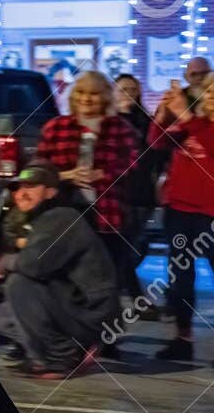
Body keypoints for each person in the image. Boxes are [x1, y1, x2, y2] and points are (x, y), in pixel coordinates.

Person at [0, 165, 116, 379]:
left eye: (31, 186)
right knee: (0, 316)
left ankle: (63, 356)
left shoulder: (62, 216)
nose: (21, 193)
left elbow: (34, 265)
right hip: (69, 305)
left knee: (19, 284)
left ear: (51, 192)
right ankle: (45, 355)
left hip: (90, 311)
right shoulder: (36, 220)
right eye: (16, 188)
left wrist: (0, 260)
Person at [35, 69, 138, 319]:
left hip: (107, 213)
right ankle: (69, 334)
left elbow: (133, 164)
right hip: (65, 214)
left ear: (104, 97)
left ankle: (105, 337)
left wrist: (103, 174)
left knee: (106, 279)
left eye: (93, 93)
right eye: (81, 92)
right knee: (66, 277)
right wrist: (65, 176)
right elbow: (37, 170)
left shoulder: (120, 128)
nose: (87, 99)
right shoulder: (56, 127)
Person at [149, 79, 214, 363]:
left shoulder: (197, 125)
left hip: (210, 212)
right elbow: (156, 141)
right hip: (179, 210)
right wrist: (163, 114)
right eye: (209, 91)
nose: (210, 96)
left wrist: (186, 117)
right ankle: (182, 337)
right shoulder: (192, 123)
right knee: (179, 276)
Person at [113, 72, 159, 317]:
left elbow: (156, 154)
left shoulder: (147, 121)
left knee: (131, 248)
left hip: (141, 193)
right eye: (123, 89)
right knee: (123, 248)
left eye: (132, 89)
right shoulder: (110, 121)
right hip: (116, 194)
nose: (128, 94)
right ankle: (137, 299)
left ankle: (130, 295)